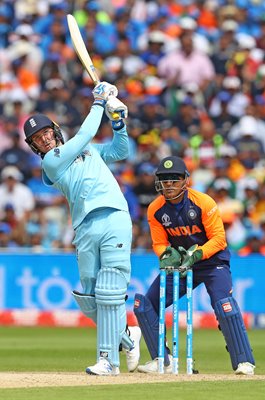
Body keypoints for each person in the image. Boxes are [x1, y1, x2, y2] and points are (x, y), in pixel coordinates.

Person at [23, 81, 141, 376]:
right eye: (37, 139)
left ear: (55, 130)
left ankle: (108, 361)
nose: (44, 140)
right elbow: (86, 132)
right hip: (85, 227)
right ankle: (127, 337)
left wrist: (118, 123)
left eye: (46, 132)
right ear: (35, 147)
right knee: (89, 297)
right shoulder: (51, 163)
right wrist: (99, 101)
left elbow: (120, 150)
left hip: (114, 215)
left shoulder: (89, 149)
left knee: (109, 290)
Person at [134, 156, 255, 375]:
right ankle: (162, 359)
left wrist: (198, 254)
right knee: (144, 305)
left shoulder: (204, 202)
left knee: (224, 305)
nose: (169, 184)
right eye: (164, 179)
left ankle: (244, 361)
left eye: (174, 179)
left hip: (212, 263)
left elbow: (219, 239)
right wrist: (166, 254)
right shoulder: (155, 209)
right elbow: (159, 243)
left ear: (185, 181)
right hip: (180, 265)